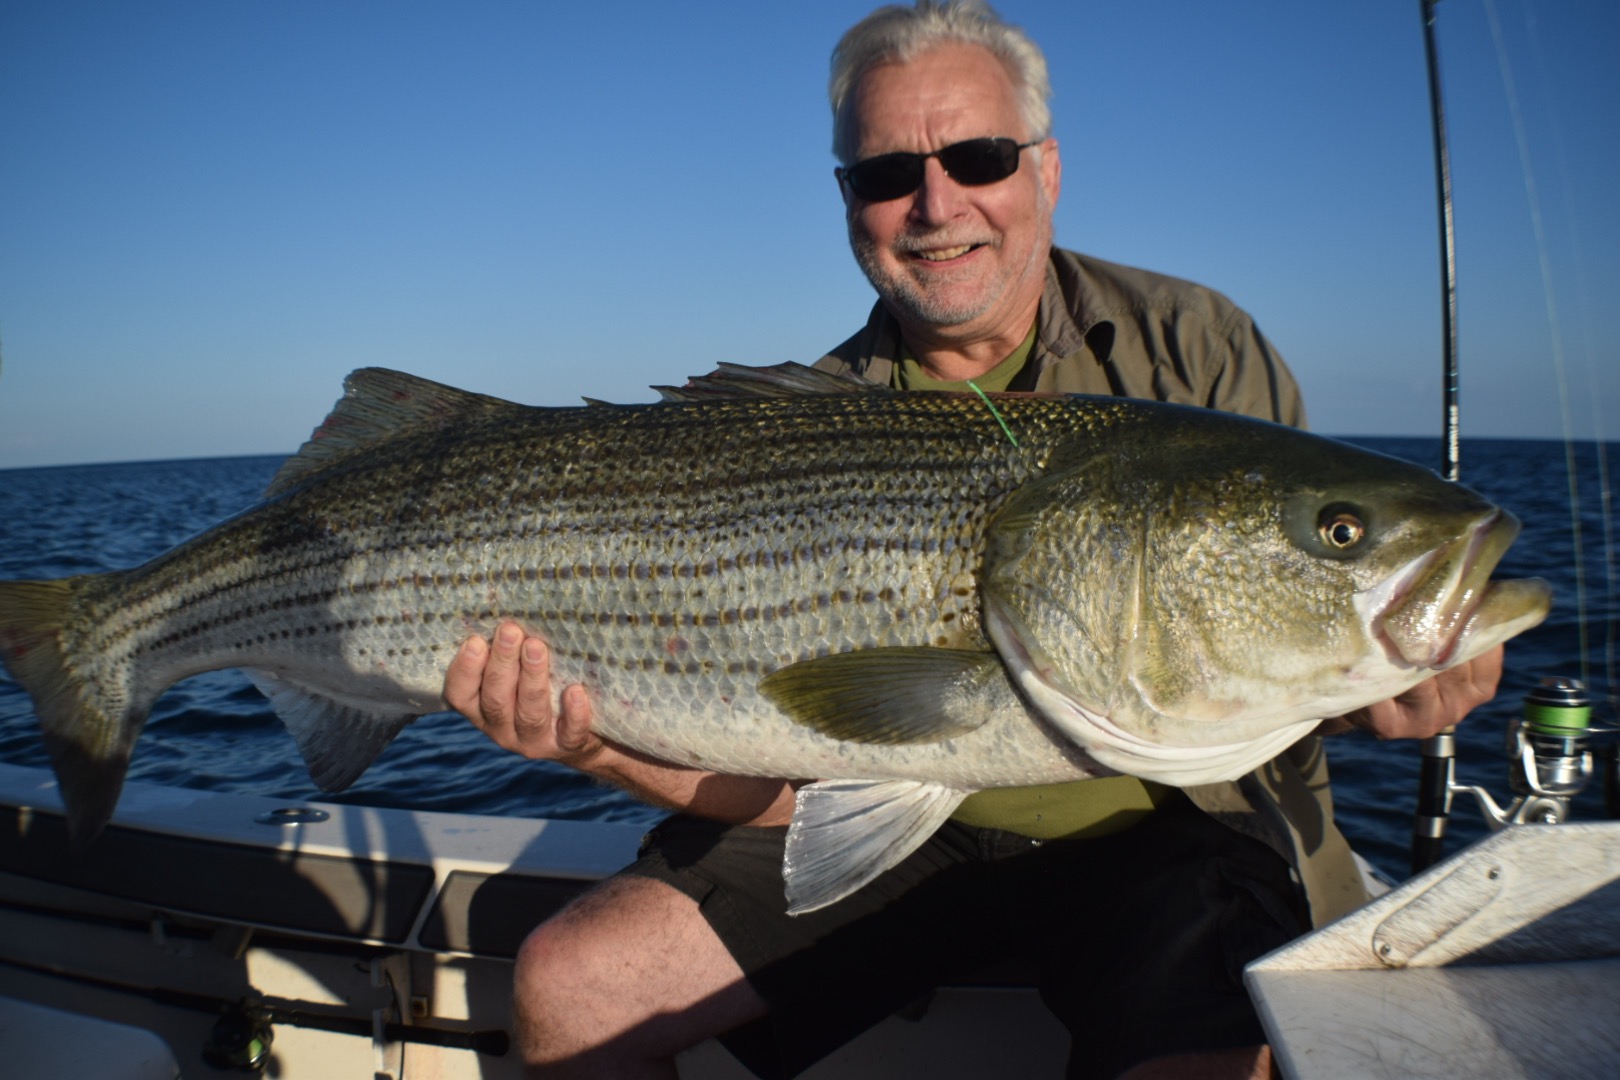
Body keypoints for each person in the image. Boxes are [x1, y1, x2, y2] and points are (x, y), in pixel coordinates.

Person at [444, 3, 1504, 1077]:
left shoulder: (1196, 349)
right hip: (898, 837)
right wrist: (596, 745)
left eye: (979, 156)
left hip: (1167, 833)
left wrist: (1380, 678)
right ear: (848, 203)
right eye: (885, 173)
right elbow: (785, 793)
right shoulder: (800, 429)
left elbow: (1290, 621)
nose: (935, 202)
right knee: (573, 986)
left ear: (1045, 169)